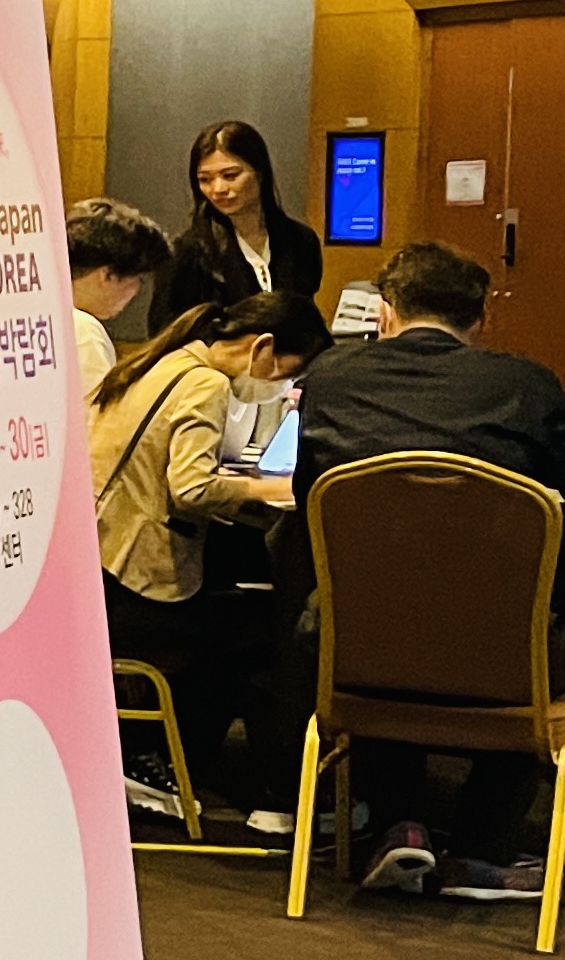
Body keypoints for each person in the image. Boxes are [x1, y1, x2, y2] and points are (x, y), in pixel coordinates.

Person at [278, 240, 565, 893]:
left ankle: (399, 824)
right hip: (503, 654)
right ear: (481, 318)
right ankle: (482, 847)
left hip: (357, 650)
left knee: (377, 600)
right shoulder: (529, 386)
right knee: (530, 619)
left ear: (384, 311)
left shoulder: (331, 378)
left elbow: (309, 498)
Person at [90, 291, 321, 814]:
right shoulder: (206, 383)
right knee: (262, 633)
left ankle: (165, 757)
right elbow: (191, 489)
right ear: (263, 348)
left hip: (98, 566)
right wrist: (265, 489)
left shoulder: (159, 361)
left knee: (235, 611)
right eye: (289, 372)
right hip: (132, 581)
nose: (282, 387)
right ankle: (169, 762)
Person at [150, 120, 325, 328]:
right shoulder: (186, 251)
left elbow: (307, 319)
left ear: (259, 172)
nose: (218, 189)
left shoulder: (301, 240)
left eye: (230, 176)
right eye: (205, 179)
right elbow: (165, 331)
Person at [67, 198, 174, 396]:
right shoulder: (84, 332)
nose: (137, 291)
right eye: (138, 280)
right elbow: (96, 413)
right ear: (108, 275)